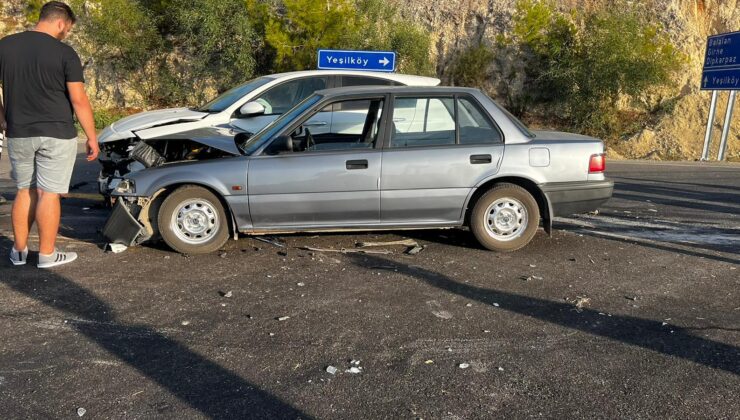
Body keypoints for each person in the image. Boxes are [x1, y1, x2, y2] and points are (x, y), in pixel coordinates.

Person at [0, 1, 99, 268]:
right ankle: (46, 254)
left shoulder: (5, 46)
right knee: (49, 193)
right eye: (67, 28)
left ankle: (18, 252)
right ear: (60, 22)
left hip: (19, 131)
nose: (66, 33)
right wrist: (91, 136)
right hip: (57, 132)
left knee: (24, 191)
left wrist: (2, 117)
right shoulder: (65, 53)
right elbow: (78, 99)